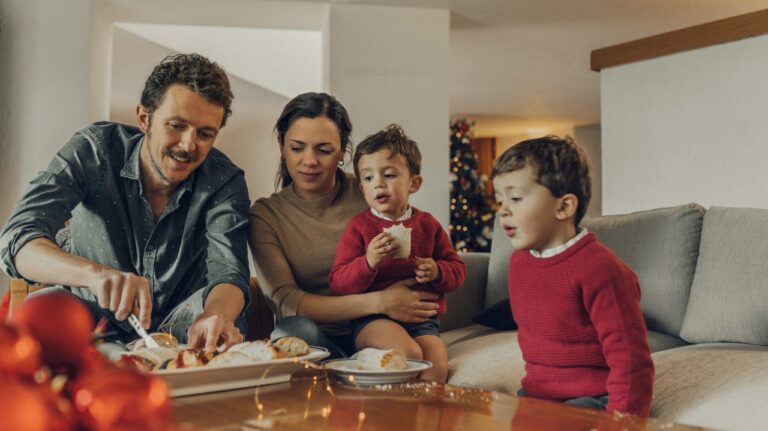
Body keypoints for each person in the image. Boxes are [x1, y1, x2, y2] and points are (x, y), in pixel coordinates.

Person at [0, 53, 251, 352]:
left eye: (205, 133)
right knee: (39, 307)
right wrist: (95, 275)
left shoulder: (225, 180)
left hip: (182, 331)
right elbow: (17, 239)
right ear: (144, 118)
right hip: (91, 321)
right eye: (176, 126)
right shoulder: (94, 150)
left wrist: (216, 315)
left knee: (225, 318)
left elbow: (229, 272)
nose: (188, 145)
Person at [249, 93, 442, 359]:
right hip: (319, 334)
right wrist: (378, 302)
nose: (310, 161)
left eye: (324, 150)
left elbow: (423, 243)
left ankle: (358, 368)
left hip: (384, 326)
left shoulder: (370, 192)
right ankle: (350, 366)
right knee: (290, 330)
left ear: (342, 152)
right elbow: (286, 302)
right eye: (297, 148)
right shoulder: (266, 215)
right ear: (282, 146)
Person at [491, 136, 654, 416]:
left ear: (564, 207)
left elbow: (631, 360)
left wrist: (621, 422)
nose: (503, 210)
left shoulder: (602, 269)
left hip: (593, 398)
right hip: (535, 395)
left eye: (516, 198)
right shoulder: (519, 261)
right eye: (499, 199)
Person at [328, 124, 465, 382]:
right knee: (409, 353)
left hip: (423, 320)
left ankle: (423, 418)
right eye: (368, 178)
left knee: (436, 367)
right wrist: (368, 262)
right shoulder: (360, 227)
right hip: (372, 319)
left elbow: (457, 271)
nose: (378, 183)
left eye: (389, 175)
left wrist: (437, 271)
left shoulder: (429, 225)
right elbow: (338, 282)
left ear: (414, 183)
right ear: (362, 188)